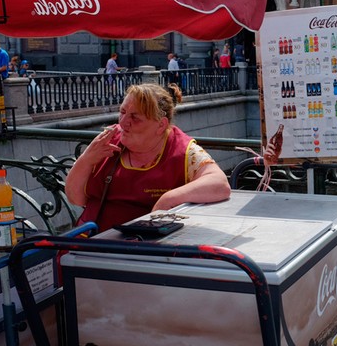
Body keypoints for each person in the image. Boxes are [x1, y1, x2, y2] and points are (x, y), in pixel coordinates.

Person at [65, 83, 231, 233]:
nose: (123, 122)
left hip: (145, 248)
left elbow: (219, 184)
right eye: (122, 112)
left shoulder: (182, 149)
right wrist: (86, 160)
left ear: (161, 125)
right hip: (92, 241)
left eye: (135, 118)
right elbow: (76, 198)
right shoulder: (107, 140)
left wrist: (169, 199)